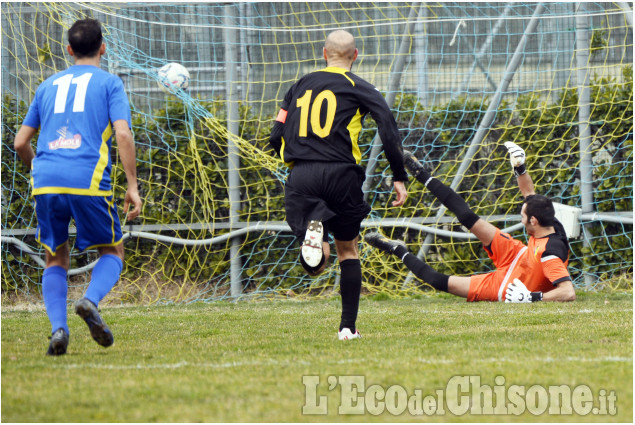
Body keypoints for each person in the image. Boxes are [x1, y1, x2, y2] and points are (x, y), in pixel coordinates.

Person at [13, 18, 142, 355]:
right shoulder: (110, 83)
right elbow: (123, 134)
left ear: (68, 50)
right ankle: (89, 301)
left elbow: (19, 143)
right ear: (103, 47)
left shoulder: (47, 86)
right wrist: (132, 186)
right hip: (87, 178)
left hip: (46, 180)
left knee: (55, 256)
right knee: (112, 250)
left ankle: (58, 330)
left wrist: (38, 170)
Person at [268, 29, 408, 340]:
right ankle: (347, 328)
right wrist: (399, 175)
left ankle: (315, 235)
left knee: (316, 265)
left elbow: (276, 133)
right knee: (349, 250)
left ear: (323, 54)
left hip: (302, 175)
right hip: (342, 174)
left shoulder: (299, 86)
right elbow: (387, 126)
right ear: (355, 56)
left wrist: (291, 158)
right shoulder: (360, 86)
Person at [365, 142, 576, 303]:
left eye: (522, 216)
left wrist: (531, 298)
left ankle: (397, 249)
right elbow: (529, 192)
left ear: (534, 220)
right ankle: (421, 173)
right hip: (516, 253)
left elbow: (568, 292)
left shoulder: (550, 253)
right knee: (467, 217)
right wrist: (520, 167)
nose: (520, 219)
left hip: (510, 285)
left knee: (439, 281)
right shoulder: (551, 223)